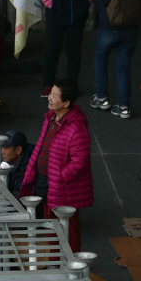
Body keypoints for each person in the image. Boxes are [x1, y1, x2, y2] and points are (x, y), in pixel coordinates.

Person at [19, 79, 93, 253]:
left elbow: (79, 162)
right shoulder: (51, 118)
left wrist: (60, 177)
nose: (49, 98)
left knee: (70, 229)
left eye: (54, 95)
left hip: (63, 187)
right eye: (50, 93)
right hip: (48, 183)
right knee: (51, 228)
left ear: (66, 103)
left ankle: (73, 266)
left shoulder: (76, 127)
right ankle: (54, 264)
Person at [88, 0, 141, 119]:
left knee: (100, 59)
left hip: (109, 25)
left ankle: (102, 98)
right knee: (123, 64)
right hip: (131, 24)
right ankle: (124, 106)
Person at [0, 130, 34, 197]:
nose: (2, 152)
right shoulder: (11, 161)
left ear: (18, 150)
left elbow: (24, 196)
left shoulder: (30, 168)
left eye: (6, 148)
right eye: (2, 147)